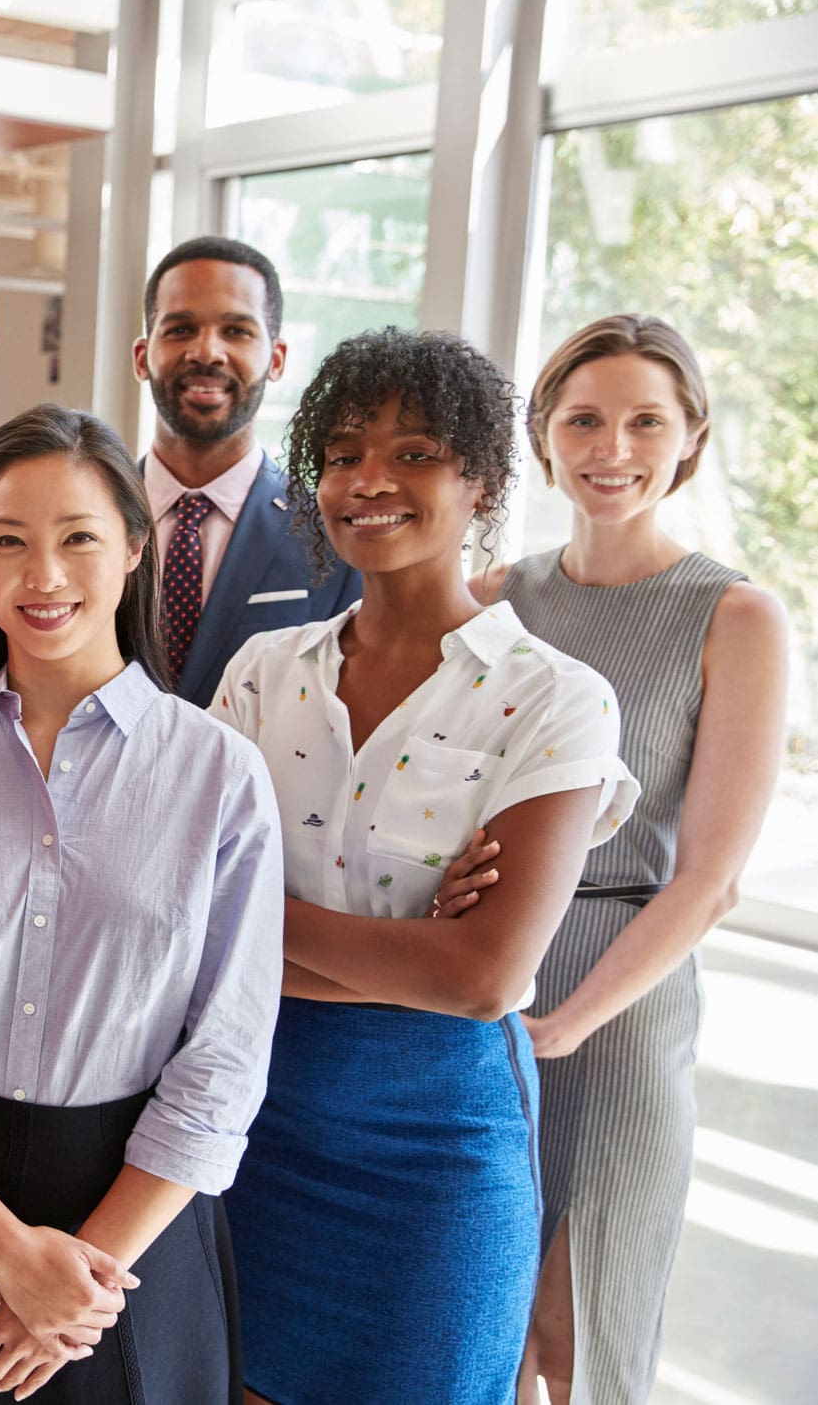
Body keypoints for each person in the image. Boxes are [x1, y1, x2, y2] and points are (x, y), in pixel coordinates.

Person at [0, 403, 284, 1403]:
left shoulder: (220, 775)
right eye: (8, 541)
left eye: (78, 537)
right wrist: (8, 1254)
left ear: (133, 546)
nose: (44, 576)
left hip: (136, 1233)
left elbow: (227, 1056)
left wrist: (79, 1277)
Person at [212, 327, 639, 1404]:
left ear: (483, 479)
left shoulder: (555, 696)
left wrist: (253, 925)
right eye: (346, 452)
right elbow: (180, 918)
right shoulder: (264, 673)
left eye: (414, 454)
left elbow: (484, 979)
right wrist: (408, 949)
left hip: (436, 1145)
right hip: (245, 1115)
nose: (369, 481)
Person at [472, 315, 788, 1405]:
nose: (613, 447)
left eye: (646, 420)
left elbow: (710, 878)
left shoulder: (735, 615)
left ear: (690, 436)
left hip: (620, 1012)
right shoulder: (494, 599)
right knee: (485, 1331)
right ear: (545, 438)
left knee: (579, 1342)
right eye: (586, 419)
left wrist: (564, 1025)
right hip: (480, 991)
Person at [132, 236, 360, 706]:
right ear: (142, 356)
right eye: (179, 329)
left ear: (276, 360)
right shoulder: (86, 519)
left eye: (236, 331)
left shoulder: (333, 535)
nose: (207, 352)